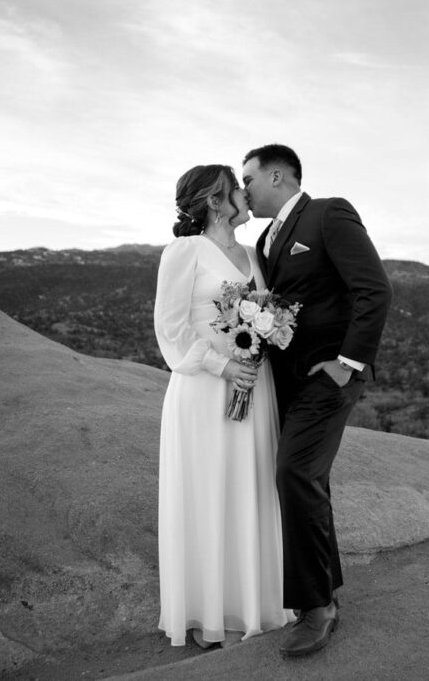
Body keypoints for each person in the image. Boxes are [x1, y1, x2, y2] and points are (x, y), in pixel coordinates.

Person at [242, 144, 392, 657]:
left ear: (279, 176)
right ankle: (327, 590)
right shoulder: (264, 240)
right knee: (310, 478)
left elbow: (374, 289)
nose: (244, 190)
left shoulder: (329, 213)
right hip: (286, 382)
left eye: (250, 179)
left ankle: (316, 608)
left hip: (330, 377)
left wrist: (346, 362)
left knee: (294, 472)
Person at [154, 164, 292, 649]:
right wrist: (222, 366)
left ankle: (250, 605)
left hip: (255, 386)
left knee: (249, 486)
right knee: (210, 488)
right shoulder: (184, 251)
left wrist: (261, 345)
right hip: (205, 390)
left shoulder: (255, 254)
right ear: (216, 201)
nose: (244, 194)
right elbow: (170, 330)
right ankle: (208, 612)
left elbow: (266, 316)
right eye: (236, 188)